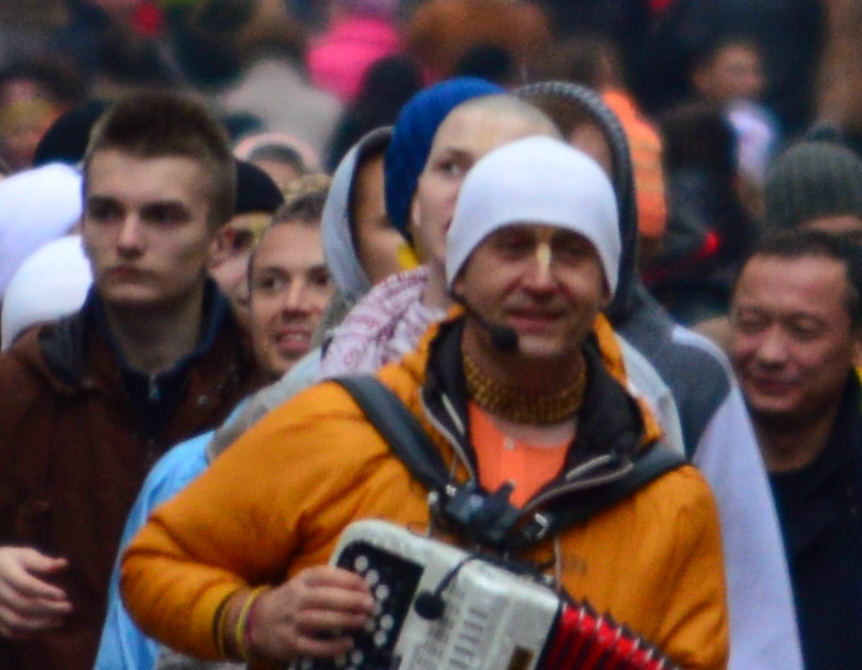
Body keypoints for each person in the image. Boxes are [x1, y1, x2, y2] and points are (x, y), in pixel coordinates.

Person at [121, 136, 729, 669]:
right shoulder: (339, 426)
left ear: (607, 284)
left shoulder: (668, 502)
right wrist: (254, 621)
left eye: (572, 252)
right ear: (457, 272)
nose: (542, 280)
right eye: (512, 248)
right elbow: (154, 564)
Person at [516, 80, 803, 670]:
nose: (558, 214)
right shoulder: (411, 365)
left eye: (584, 189)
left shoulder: (686, 376)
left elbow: (753, 616)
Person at [0, 91, 264, 670]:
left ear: (220, 241)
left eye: (161, 216)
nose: (127, 239)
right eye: (106, 212)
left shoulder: (268, 392)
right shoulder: (17, 387)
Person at [95, 180, 334, 670]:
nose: (292, 303)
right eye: (270, 283)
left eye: (321, 280)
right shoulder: (189, 470)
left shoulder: (388, 443)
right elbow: (129, 651)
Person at [728, 229, 862, 670]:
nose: (769, 353)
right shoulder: (685, 467)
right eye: (752, 325)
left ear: (856, 344)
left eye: (803, 332)